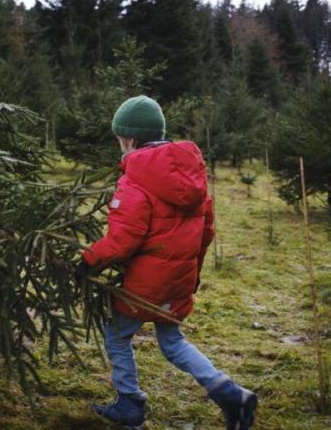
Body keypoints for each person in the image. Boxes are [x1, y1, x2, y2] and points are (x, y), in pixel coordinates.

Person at [73, 96, 257, 429]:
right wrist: (193, 274)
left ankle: (129, 404)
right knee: (172, 342)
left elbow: (122, 241)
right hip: (179, 278)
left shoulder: (136, 180)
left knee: (116, 334)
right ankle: (232, 395)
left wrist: (88, 262)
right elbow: (206, 232)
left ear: (130, 138)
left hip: (146, 284)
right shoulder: (193, 175)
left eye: (119, 139)